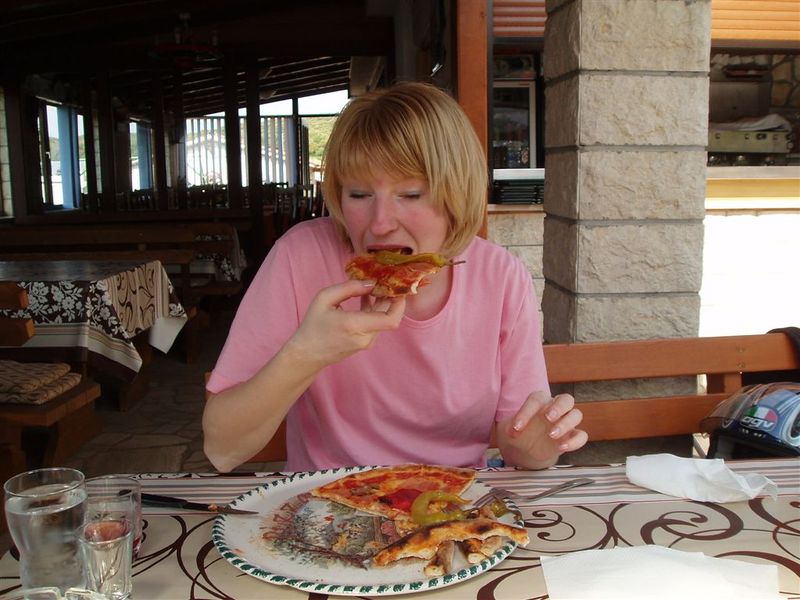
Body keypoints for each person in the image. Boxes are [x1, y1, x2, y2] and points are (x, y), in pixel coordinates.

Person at [203, 81, 587, 472]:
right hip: (324, 498)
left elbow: (520, 443)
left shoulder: (500, 277)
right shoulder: (301, 257)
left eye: (411, 194)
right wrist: (306, 353)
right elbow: (222, 449)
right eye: (358, 194)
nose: (380, 224)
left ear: (456, 196)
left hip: (451, 501)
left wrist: (540, 444)